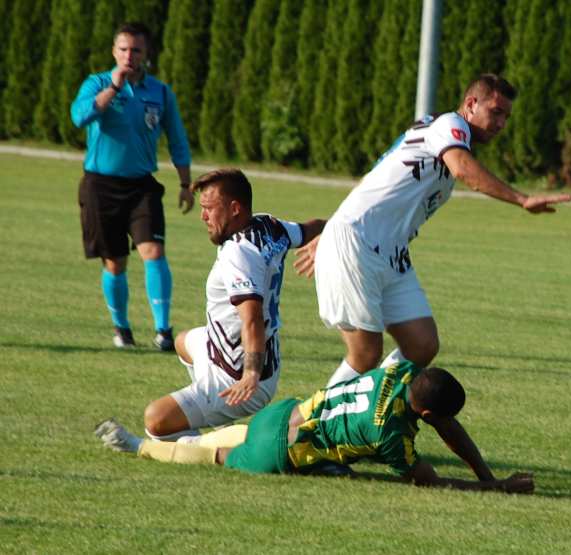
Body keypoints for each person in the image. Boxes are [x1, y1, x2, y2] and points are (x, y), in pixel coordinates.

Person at [293, 74, 571, 482]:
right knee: (364, 355)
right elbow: (462, 170)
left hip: (388, 254)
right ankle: (314, 437)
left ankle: (377, 410)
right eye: (495, 112)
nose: (500, 123)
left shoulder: (434, 132)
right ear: (470, 103)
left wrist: (333, 225)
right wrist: (521, 198)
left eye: (506, 117)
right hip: (358, 245)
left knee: (422, 344)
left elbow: (378, 176)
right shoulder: (449, 126)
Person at [96, 361, 535, 494]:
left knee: (229, 438)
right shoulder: (391, 437)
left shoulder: (402, 373)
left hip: (284, 413)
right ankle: (139, 446)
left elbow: (446, 425)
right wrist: (499, 487)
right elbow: (433, 483)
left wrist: (488, 472)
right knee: (216, 456)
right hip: (280, 452)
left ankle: (158, 439)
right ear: (425, 416)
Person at [141, 168, 326, 442]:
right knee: (183, 342)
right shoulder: (267, 225)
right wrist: (332, 233)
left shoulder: (238, 254)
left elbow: (250, 319)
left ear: (235, 208)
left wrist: (249, 375)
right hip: (247, 359)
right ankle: (214, 414)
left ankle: (212, 441)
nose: (203, 216)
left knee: (155, 420)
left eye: (209, 209)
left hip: (237, 374)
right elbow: (314, 228)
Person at [70, 22, 193, 351]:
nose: (129, 55)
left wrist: (185, 182)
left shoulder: (160, 92)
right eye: (123, 49)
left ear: (146, 53)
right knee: (115, 261)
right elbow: (78, 117)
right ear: (114, 51)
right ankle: (122, 328)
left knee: (153, 251)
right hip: (101, 185)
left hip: (142, 187)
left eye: (136, 50)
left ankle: (164, 331)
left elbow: (177, 140)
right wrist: (112, 88)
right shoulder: (97, 83)